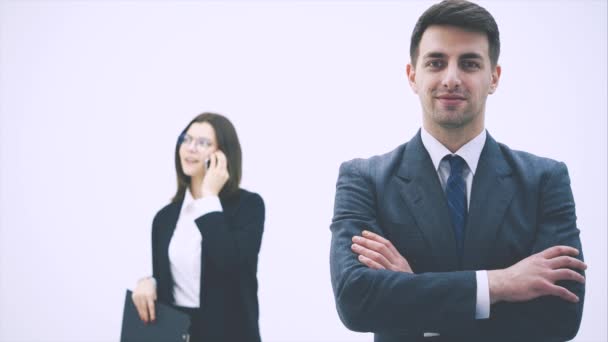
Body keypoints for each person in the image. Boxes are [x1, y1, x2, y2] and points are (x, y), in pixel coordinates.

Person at [329, 1, 586, 341]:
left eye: (469, 63)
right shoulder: (365, 180)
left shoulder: (545, 181)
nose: (451, 78)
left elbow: (561, 317)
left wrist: (411, 290)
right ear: (412, 76)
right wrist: (500, 283)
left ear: (493, 77)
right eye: (436, 63)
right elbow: (356, 301)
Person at [132, 112, 265, 342]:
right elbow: (172, 279)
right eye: (187, 139)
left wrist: (209, 198)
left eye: (203, 143)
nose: (190, 148)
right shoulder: (164, 218)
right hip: (177, 334)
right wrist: (149, 282)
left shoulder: (248, 206)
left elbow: (230, 265)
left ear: (223, 155)